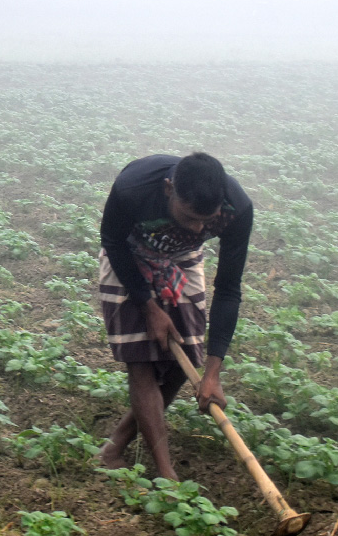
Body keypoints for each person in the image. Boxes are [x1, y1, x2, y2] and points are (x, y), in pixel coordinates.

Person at [97, 153, 253, 480]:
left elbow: (228, 288)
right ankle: (167, 475)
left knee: (187, 354)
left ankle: (114, 448)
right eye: (190, 217)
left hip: (181, 257)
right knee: (141, 357)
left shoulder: (237, 209)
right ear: (169, 189)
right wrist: (148, 305)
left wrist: (213, 373)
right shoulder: (133, 188)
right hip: (129, 251)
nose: (198, 228)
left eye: (205, 221)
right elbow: (112, 240)